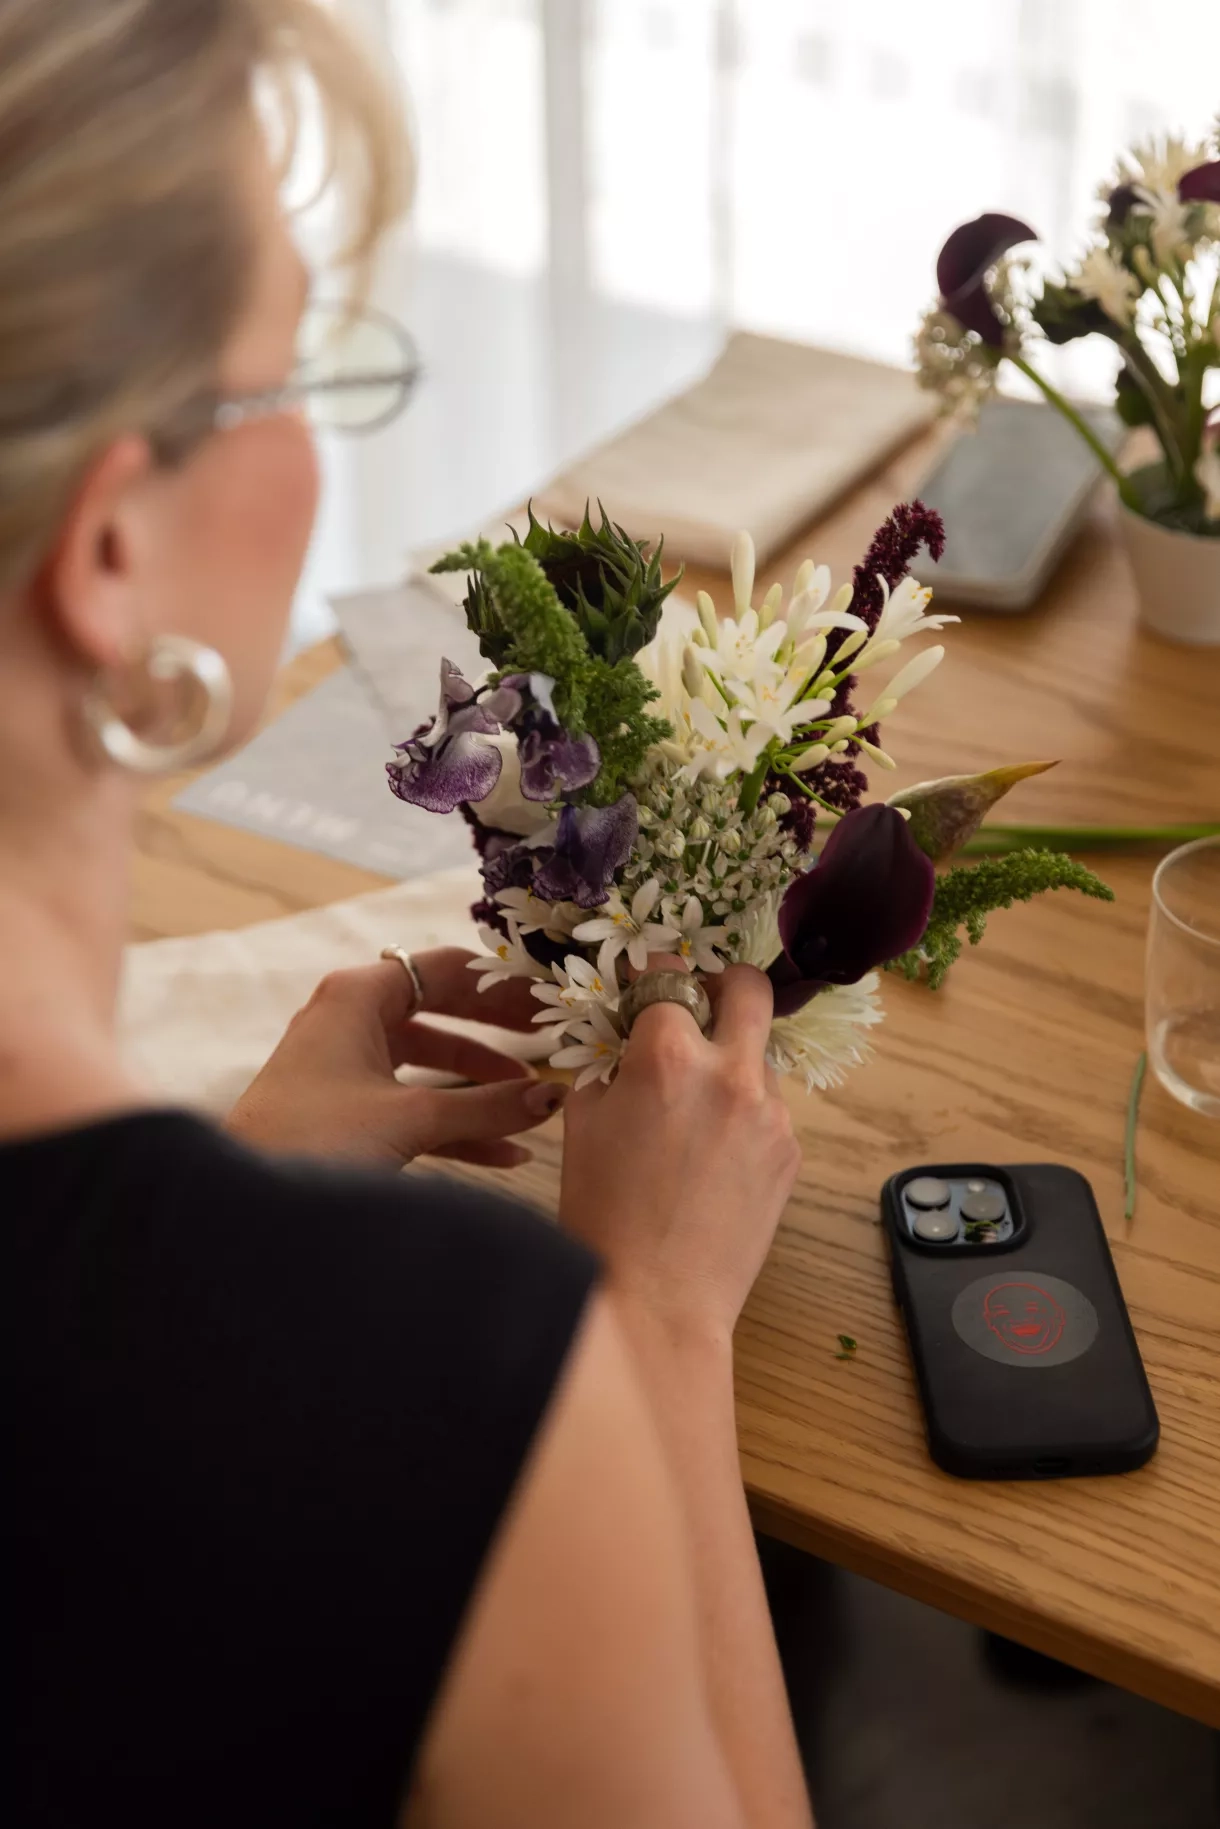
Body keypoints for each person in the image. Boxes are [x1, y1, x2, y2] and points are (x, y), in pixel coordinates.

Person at [1, 4, 812, 1826]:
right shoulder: (441, 1377)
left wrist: (228, 1187)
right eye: (282, 378)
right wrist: (653, 1326)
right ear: (111, 551)